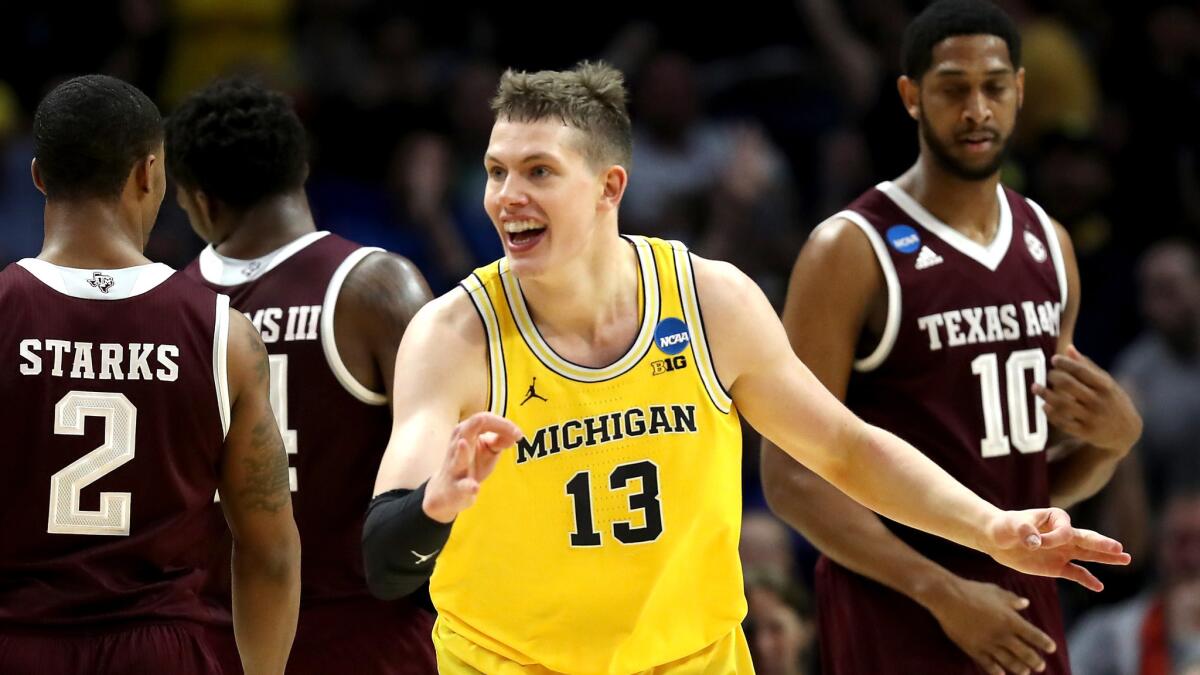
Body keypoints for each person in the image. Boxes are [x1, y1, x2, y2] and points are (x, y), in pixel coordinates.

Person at [361, 61, 1130, 674]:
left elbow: (844, 447)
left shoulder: (709, 302)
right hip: (507, 664)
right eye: (495, 171)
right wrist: (434, 504)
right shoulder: (452, 335)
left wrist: (992, 527)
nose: (505, 196)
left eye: (537, 171)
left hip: (694, 659)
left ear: (608, 187)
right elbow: (383, 559)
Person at [759, 2, 1143, 674]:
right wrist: (940, 590)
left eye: (993, 87)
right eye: (952, 88)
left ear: (1020, 90)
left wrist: (1110, 444)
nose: (976, 110)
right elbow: (790, 476)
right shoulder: (850, 249)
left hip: (1021, 594)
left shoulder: (1049, 243)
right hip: (897, 596)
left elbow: (1032, 485)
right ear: (911, 95)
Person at [0, 74, 299, 674]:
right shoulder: (226, 336)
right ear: (149, 172)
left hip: (18, 640)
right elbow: (269, 555)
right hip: (162, 651)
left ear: (38, 177)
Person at [166, 78, 435, 674]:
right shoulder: (376, 288)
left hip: (219, 636)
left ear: (199, 199)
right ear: (301, 165)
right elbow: (452, 477)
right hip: (365, 634)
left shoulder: (170, 309)